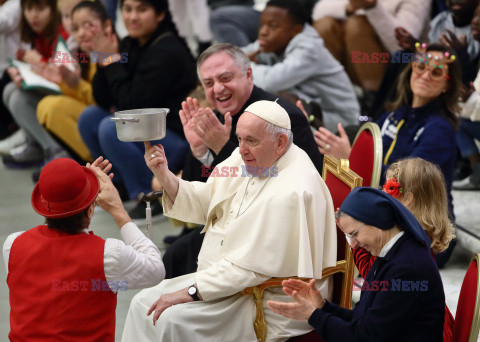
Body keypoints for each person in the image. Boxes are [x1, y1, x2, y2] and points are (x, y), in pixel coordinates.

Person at [121, 100, 337, 341]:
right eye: (239, 138)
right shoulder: (250, 157)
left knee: (171, 320)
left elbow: (249, 269)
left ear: (280, 143)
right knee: (141, 302)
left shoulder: (293, 191)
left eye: (251, 140)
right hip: (226, 281)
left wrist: (190, 291)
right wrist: (164, 174)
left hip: (262, 298)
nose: (241, 149)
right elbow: (208, 199)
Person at [161, 43, 323, 277]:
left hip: (268, 237)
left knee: (183, 257)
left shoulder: (284, 118)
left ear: (248, 75)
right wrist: (199, 151)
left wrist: (221, 147)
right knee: (176, 254)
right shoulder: (217, 116)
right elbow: (197, 194)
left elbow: (280, 189)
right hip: (231, 226)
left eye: (225, 78)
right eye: (208, 83)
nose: (217, 89)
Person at [3, 156, 165, 341]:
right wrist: (117, 209)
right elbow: (155, 269)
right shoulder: (109, 256)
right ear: (90, 210)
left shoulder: (12, 244)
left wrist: (79, 191)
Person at [268, 187, 445, 341]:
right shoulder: (389, 252)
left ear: (377, 221)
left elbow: (364, 337)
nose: (353, 244)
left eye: (354, 234)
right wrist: (322, 306)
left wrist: (311, 316)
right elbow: (362, 320)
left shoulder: (407, 270)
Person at [315, 43, 459, 227]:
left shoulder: (440, 130)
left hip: (423, 225)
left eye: (436, 73)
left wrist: (352, 158)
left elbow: (406, 185)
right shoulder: (394, 113)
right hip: (386, 207)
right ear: (411, 69)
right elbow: (367, 150)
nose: (425, 75)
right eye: (421, 66)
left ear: (447, 85)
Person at [77, 0, 197, 219]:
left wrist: (111, 60)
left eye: (142, 9)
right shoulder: (131, 44)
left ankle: (150, 196)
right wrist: (104, 58)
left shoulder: (167, 49)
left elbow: (133, 106)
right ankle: (119, 186)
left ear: (159, 14)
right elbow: (103, 100)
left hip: (177, 140)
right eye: (128, 9)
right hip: (149, 130)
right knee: (90, 118)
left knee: (111, 127)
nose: (133, 17)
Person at [354, 158, 455, 341]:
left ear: (408, 200)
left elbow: (372, 275)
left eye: (389, 190)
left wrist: (355, 238)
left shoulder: (410, 240)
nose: (383, 195)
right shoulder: (413, 231)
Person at [242, 0, 360, 131]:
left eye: (273, 26)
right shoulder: (270, 42)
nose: (263, 32)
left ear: (296, 30)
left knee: (285, 102)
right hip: (310, 106)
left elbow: (270, 81)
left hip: (339, 119)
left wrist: (245, 65)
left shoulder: (309, 49)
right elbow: (234, 55)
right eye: (261, 25)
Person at [36, 0, 113, 165]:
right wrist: (65, 82)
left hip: (109, 117)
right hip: (96, 111)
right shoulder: (77, 47)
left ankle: (103, 163)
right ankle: (87, 161)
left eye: (86, 24)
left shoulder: (108, 49)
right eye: (67, 17)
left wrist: (75, 84)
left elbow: (104, 100)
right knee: (47, 105)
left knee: (57, 109)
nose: (73, 25)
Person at [2, 0, 70, 167]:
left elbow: (70, 67)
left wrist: (42, 64)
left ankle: (55, 151)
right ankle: (35, 144)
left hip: (71, 94)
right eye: (28, 9)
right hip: (54, 89)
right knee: (10, 89)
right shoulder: (37, 36)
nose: (33, 15)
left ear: (53, 9)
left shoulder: (63, 33)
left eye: (40, 8)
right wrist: (20, 71)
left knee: (19, 98)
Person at [312, 0, 431, 92]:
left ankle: (372, 99)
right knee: (324, 26)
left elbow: (402, 47)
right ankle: (330, 90)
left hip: (397, 66)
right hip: (352, 63)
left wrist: (372, 8)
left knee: (356, 26)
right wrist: (350, 7)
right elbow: (318, 12)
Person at [0, 0, 22, 146]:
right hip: (6, 69)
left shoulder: (15, 4)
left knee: (10, 91)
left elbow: (3, 22)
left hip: (14, 67)